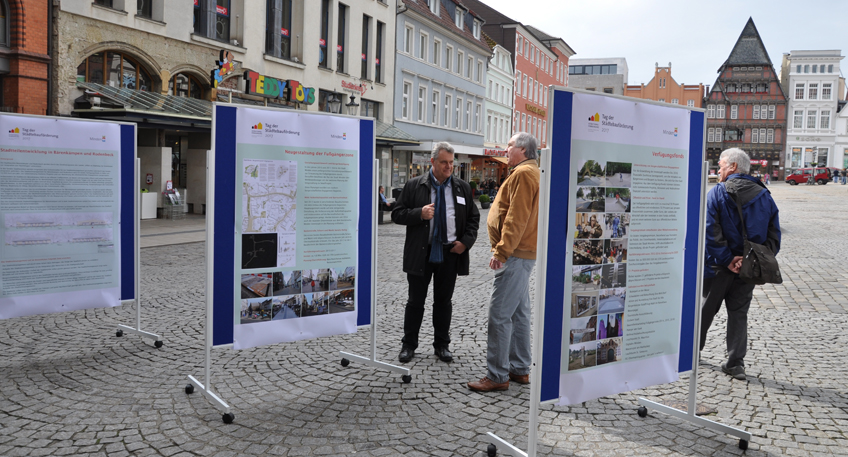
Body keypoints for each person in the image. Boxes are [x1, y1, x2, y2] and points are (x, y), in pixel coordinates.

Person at [391, 142, 480, 363]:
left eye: (451, 163)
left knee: (443, 302)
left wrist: (465, 243)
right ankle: (408, 345)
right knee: (415, 302)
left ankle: (442, 345)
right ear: (432, 162)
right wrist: (418, 214)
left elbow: (473, 218)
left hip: (449, 253)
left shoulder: (461, 188)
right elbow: (397, 214)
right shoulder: (414, 186)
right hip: (421, 253)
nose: (449, 167)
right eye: (444, 162)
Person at [467, 132, 540, 392]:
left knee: (499, 316)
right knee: (519, 314)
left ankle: (497, 376)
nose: (505, 149)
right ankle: (520, 369)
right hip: (522, 252)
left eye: (509, 145)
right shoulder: (530, 171)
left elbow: (516, 218)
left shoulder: (523, 173)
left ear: (522, 148)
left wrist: (501, 252)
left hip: (516, 253)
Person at [700, 148, 780, 381]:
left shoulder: (717, 193)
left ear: (734, 167)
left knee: (705, 310)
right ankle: (736, 364)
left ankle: (692, 353)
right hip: (747, 270)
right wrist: (751, 261)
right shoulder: (765, 196)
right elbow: (773, 236)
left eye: (722, 166)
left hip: (717, 267)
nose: (719, 170)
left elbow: (709, 232)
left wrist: (727, 259)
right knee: (739, 313)